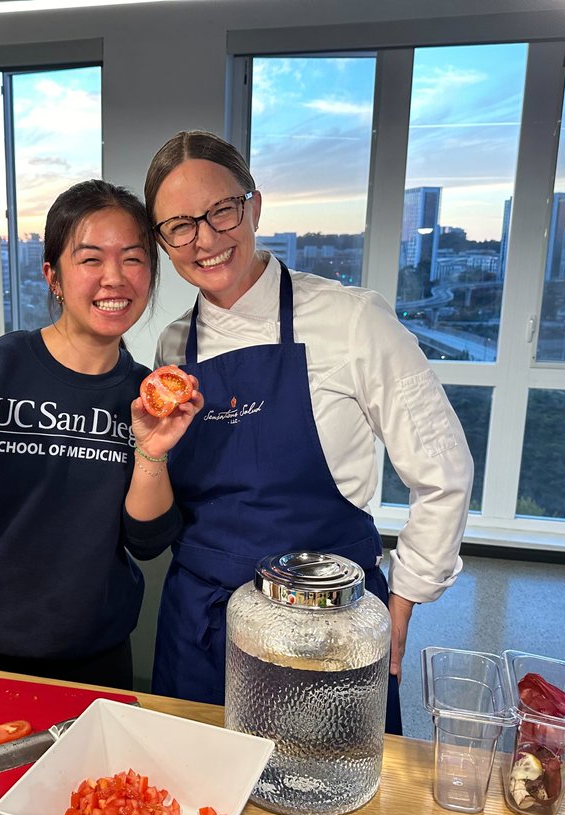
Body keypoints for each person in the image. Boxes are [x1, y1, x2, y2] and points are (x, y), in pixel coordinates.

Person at [144, 131, 474, 729]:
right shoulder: (174, 346)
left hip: (329, 623)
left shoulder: (350, 320)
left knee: (328, 805)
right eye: (180, 226)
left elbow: (443, 469)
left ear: (254, 206)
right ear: (164, 242)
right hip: (202, 621)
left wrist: (404, 597)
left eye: (222, 210)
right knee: (193, 802)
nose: (207, 239)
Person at [0, 180, 201, 690]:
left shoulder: (150, 400)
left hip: (93, 654)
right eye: (90, 259)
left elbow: (148, 540)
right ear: (52, 275)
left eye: (134, 260)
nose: (114, 278)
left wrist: (151, 453)